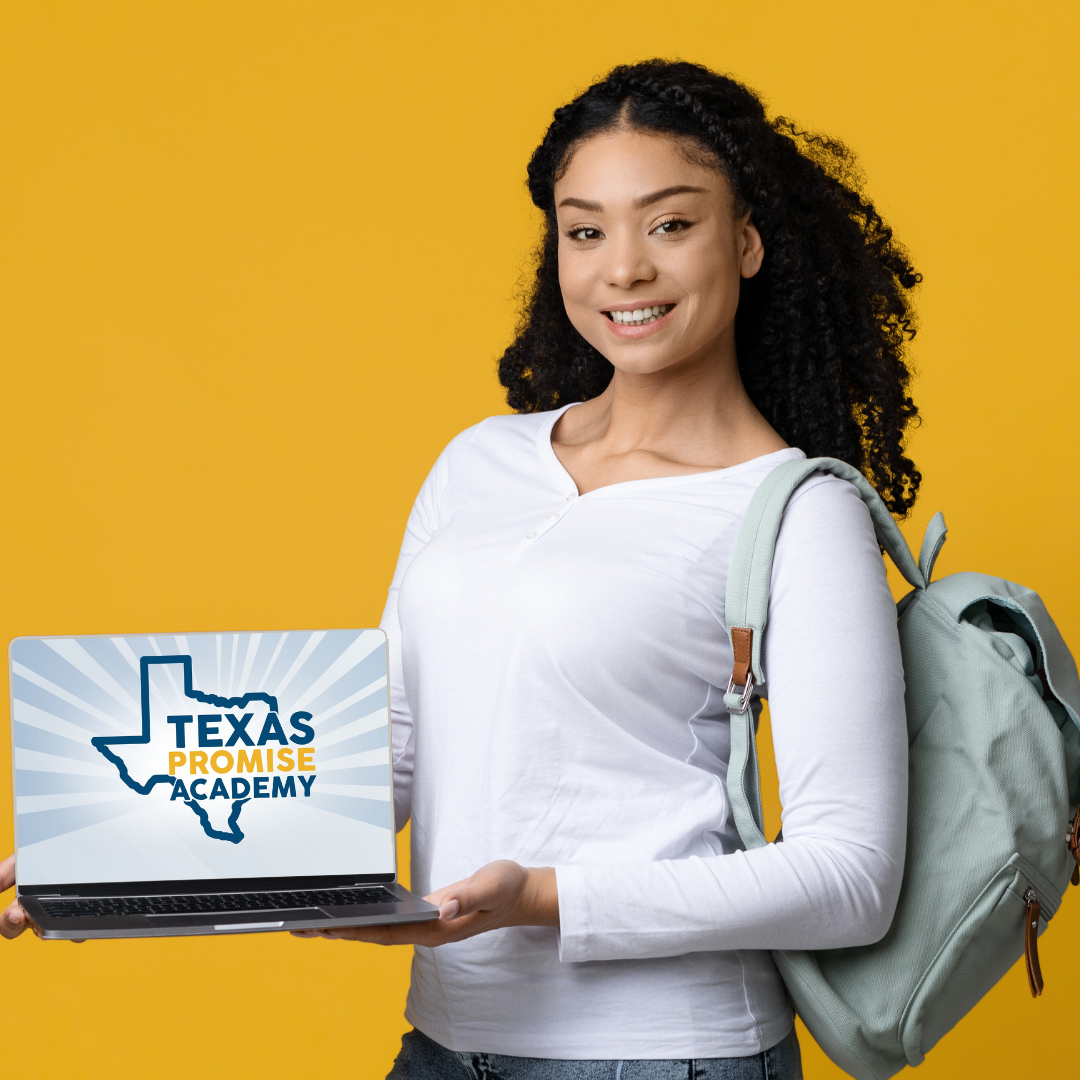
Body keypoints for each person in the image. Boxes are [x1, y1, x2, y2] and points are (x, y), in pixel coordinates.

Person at [2, 59, 919, 1080]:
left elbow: (852, 876)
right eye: (586, 229)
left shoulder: (799, 511)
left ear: (745, 241)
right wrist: (122, 861)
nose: (623, 268)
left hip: (666, 1055)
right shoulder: (480, 461)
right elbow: (385, 755)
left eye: (669, 224)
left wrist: (542, 898)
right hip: (446, 1045)